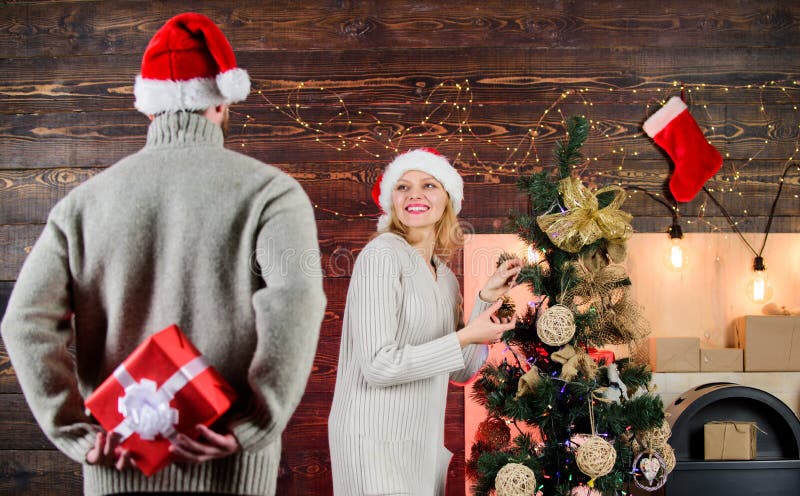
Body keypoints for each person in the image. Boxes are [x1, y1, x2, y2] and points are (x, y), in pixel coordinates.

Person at [0, 12, 326, 496]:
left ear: (149, 108)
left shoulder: (81, 206)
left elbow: (24, 321)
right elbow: (298, 299)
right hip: (230, 470)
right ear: (220, 101)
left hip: (120, 465)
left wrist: (77, 432)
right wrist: (254, 423)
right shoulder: (272, 194)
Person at [328, 148, 522, 495]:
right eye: (403, 187)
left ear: (447, 199)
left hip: (419, 443)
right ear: (391, 201)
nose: (415, 194)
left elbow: (460, 371)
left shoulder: (445, 278)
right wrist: (464, 338)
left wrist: (485, 301)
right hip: (372, 441)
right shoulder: (382, 255)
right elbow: (378, 366)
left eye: (429, 185)